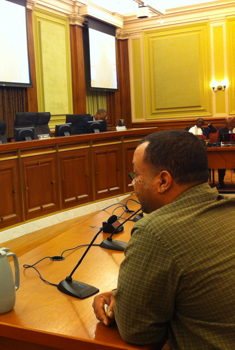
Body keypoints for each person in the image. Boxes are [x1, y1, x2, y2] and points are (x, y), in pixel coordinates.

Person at [92, 130, 235, 349]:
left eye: (136, 175)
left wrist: (121, 304)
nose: (133, 184)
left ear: (163, 181)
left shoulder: (155, 232)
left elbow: (138, 332)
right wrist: (126, 294)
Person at [216, 116, 235, 188]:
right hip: (225, 152)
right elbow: (218, 142)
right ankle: (221, 182)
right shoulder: (222, 130)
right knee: (221, 163)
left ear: (234, 123)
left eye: (230, 125)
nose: (229, 127)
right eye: (227, 125)